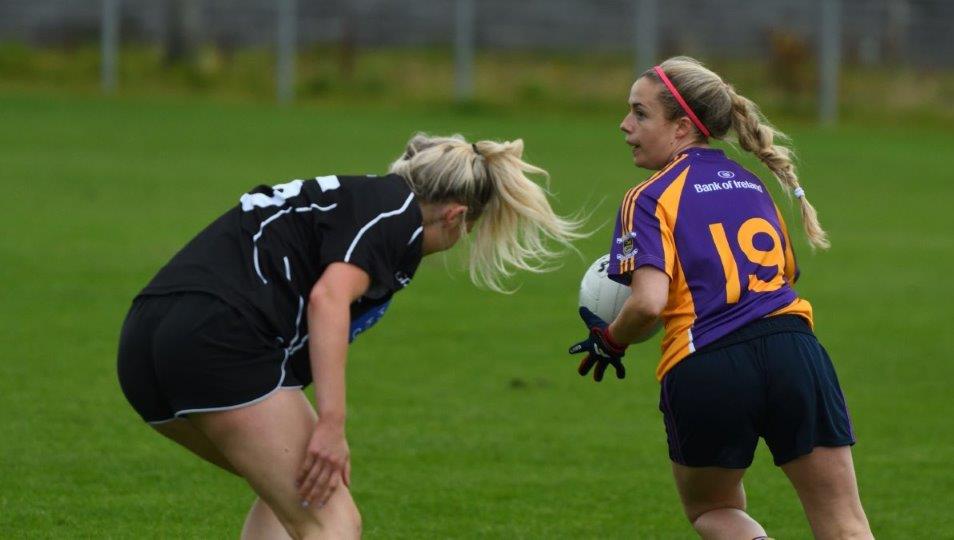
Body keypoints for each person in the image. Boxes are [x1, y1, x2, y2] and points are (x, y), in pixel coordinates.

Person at [118, 133, 583, 539]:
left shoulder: (359, 200)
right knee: (333, 520)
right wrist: (330, 424)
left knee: (307, 489)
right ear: (456, 215)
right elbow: (329, 299)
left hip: (145, 339)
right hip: (218, 339)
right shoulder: (395, 216)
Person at [568, 56, 872, 539]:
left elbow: (648, 304)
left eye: (640, 113)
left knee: (712, 509)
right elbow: (787, 272)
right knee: (843, 521)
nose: (625, 125)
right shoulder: (753, 184)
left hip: (707, 361)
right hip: (795, 351)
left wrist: (611, 340)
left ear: (684, 127)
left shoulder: (646, 196)